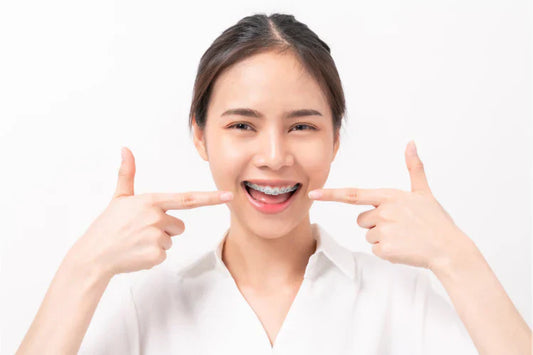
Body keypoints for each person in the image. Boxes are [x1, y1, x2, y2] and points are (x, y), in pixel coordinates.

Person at [16, 13, 531, 355]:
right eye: (242, 125)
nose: (274, 157)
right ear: (200, 136)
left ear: (334, 140)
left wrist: (459, 260)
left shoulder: (403, 298)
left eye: (302, 126)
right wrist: (82, 267)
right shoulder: (142, 305)